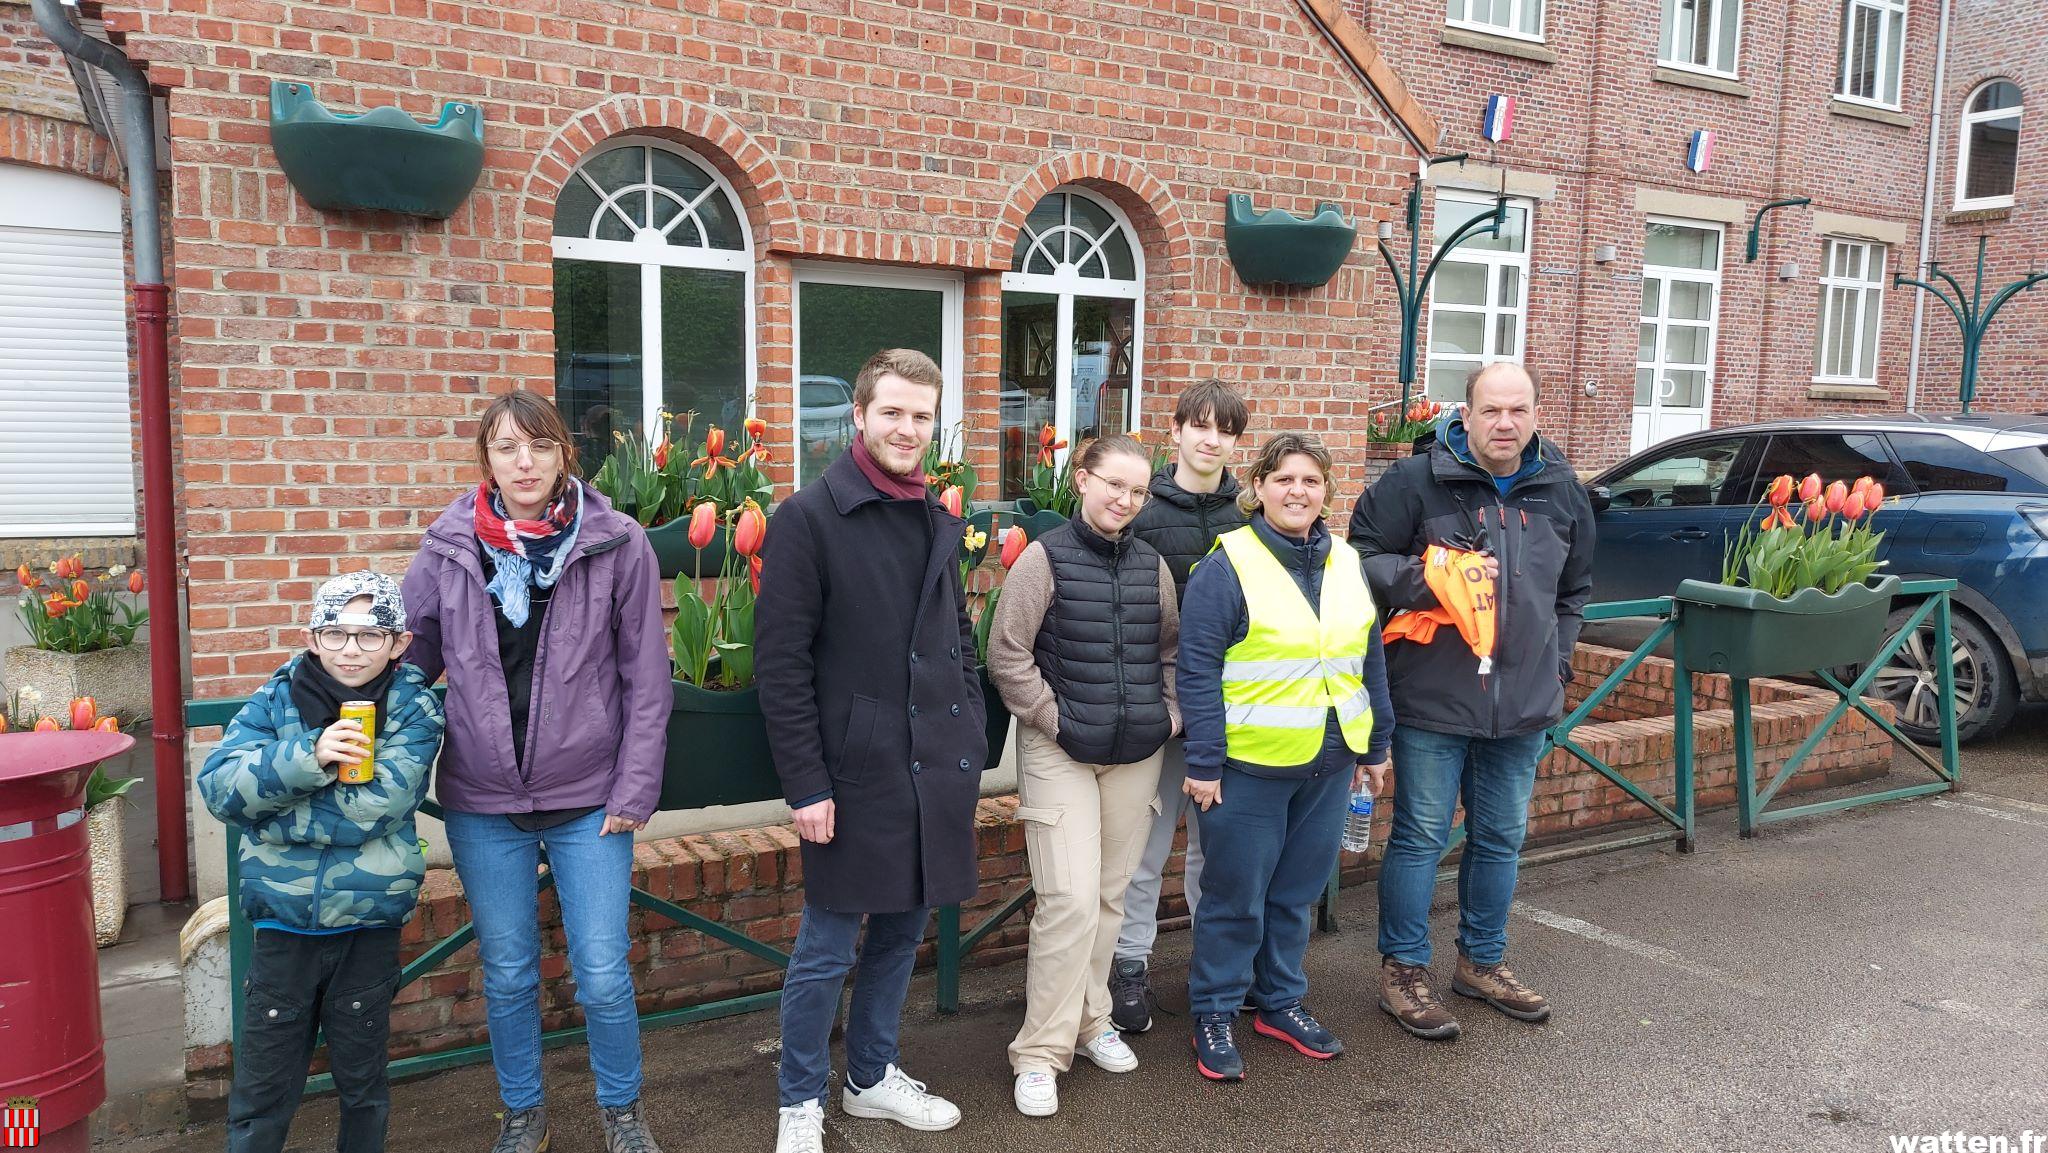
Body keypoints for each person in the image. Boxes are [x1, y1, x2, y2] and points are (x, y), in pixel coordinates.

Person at [401, 390, 671, 1153]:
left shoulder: (617, 543)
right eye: (507, 447)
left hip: (590, 799)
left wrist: (635, 786)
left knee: (602, 973)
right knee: (510, 973)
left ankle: (622, 1109)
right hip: (484, 801)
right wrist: (331, 692)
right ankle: (523, 1112)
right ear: (485, 458)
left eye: (540, 446)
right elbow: (407, 661)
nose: (525, 462)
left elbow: (646, 681)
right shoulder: (449, 548)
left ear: (564, 456)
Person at [755, 349, 987, 1153]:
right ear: (858, 415)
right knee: (825, 947)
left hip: (933, 760)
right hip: (853, 772)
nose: (906, 428)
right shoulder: (808, 518)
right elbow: (780, 666)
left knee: (901, 932)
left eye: (921, 416)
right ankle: (798, 1100)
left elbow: (954, 632)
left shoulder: (935, 512)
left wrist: (972, 726)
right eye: (891, 412)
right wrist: (806, 784)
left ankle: (870, 1077)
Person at [1348, 362, 1595, 1041]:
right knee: (1422, 836)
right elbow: (1360, 557)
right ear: (1466, 412)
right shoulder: (1414, 481)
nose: (1505, 423)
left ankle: (1481, 962)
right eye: (1492, 410)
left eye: (1518, 410)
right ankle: (1403, 971)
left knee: (1501, 838)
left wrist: (1560, 661)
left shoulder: (1561, 492)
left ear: (1536, 415)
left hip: (1520, 703)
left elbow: (1574, 592)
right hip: (1432, 696)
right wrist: (1436, 581)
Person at [197, 571, 443, 1153]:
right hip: (282, 927)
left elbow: (374, 810)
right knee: (263, 1088)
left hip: (367, 926)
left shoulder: (413, 708)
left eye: (369, 635)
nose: (351, 650)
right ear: (313, 638)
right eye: (335, 634)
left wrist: (269, 812)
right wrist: (308, 756)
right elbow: (219, 788)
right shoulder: (278, 696)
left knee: (363, 1084)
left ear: (398, 643)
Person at [1176, 432, 1394, 1081]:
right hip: (1246, 770)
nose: (1298, 490)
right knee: (1234, 899)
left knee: (1294, 895)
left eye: (1310, 479)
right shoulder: (1229, 563)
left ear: (1326, 489)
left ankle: (1278, 1001)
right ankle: (1214, 1010)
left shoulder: (1347, 560)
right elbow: (1197, 669)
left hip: (1328, 765)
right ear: (1260, 487)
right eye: (1284, 478)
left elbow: (1369, 660)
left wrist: (1375, 746)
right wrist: (1205, 762)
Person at [987, 434, 1181, 1117]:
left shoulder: (1151, 564)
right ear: (1082, 478)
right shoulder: (1042, 559)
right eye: (1113, 485)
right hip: (1061, 749)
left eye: (1137, 491)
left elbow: (1170, 649)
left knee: (1108, 897)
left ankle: (1093, 1019)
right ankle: (1039, 1051)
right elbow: (1006, 652)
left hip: (1137, 754)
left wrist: (1171, 713)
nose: (1124, 500)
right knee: (1067, 900)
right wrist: (1053, 718)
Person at [1109, 379, 1249, 1034]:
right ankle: (1130, 964)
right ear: (1177, 431)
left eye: (1222, 428)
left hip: (1224, 713)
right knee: (1146, 844)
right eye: (1198, 424)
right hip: (1160, 711)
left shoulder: (1247, 516)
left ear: (1234, 440)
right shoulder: (1141, 510)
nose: (1209, 438)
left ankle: (1212, 969)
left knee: (1213, 851)